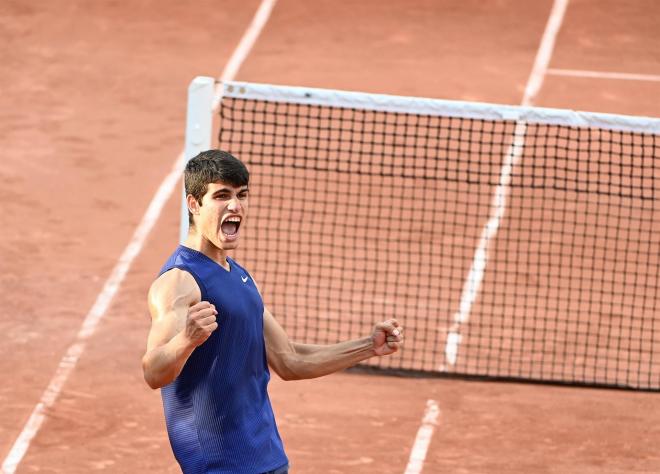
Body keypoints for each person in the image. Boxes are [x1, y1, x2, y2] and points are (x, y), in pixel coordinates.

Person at [142, 149, 404, 474]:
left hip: (267, 458)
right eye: (222, 196)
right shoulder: (179, 281)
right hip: (221, 466)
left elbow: (291, 359)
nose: (235, 205)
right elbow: (153, 372)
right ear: (194, 204)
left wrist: (368, 346)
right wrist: (186, 339)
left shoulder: (238, 275)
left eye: (242, 195)